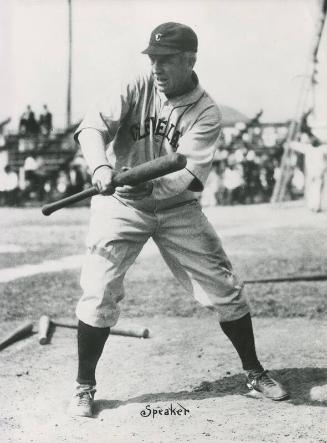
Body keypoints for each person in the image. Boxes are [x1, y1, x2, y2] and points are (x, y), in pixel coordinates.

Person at [69, 22, 289, 417]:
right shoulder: (136, 83)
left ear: (190, 60)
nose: (156, 67)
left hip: (177, 206)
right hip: (120, 203)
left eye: (166, 59)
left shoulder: (206, 111)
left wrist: (150, 189)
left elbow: (189, 176)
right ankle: (84, 387)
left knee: (224, 286)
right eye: (153, 58)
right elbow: (91, 127)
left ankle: (254, 372)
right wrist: (101, 166)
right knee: (99, 288)